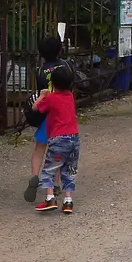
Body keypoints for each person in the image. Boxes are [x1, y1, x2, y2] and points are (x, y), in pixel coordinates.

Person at [24, 35, 69, 203]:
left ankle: (35, 176)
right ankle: (56, 185)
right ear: (59, 50)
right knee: (57, 151)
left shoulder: (40, 70)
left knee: (39, 149)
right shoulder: (66, 66)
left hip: (46, 114)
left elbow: (41, 91)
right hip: (61, 115)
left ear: (41, 53)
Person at [32, 66, 80, 214]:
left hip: (58, 139)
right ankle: (68, 201)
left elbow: (35, 108)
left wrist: (41, 95)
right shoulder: (70, 96)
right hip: (74, 138)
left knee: (49, 169)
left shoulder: (50, 98)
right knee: (69, 169)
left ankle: (50, 198)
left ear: (52, 83)